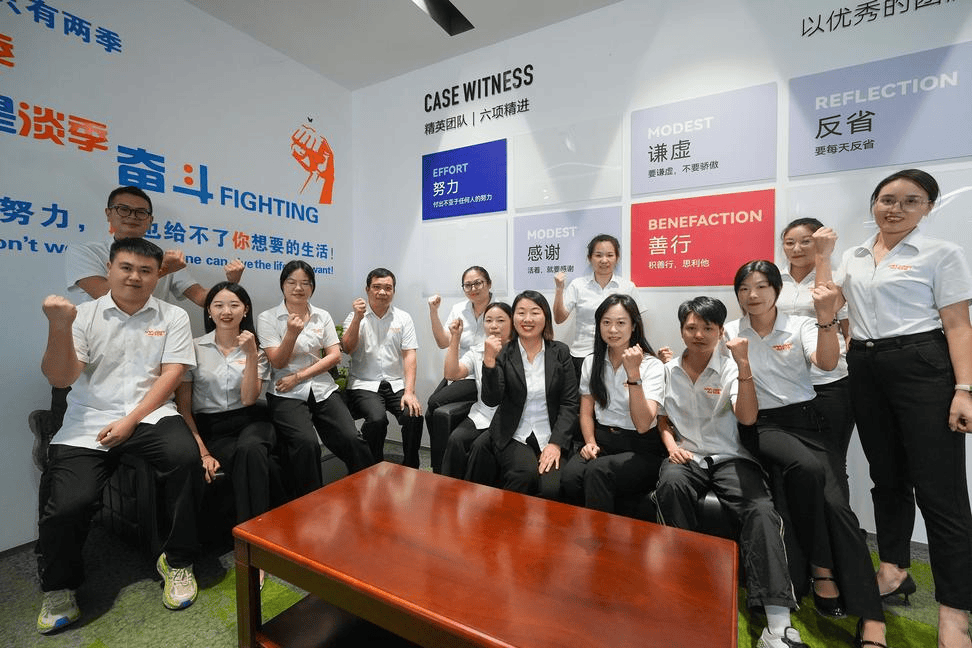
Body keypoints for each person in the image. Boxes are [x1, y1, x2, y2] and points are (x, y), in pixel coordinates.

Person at [817, 168, 972, 648]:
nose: (896, 208)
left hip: (923, 365)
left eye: (910, 200)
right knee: (887, 480)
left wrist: (964, 389)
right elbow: (830, 307)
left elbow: (958, 325)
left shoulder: (941, 253)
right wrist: (822, 258)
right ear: (874, 204)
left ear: (928, 207)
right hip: (866, 366)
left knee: (941, 493)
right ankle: (893, 569)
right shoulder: (855, 256)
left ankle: (954, 611)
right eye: (887, 199)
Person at [36, 238, 202, 633]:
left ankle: (177, 560)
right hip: (90, 419)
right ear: (109, 269)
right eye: (126, 268)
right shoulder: (82, 315)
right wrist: (59, 326)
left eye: (146, 271)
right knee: (68, 502)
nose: (135, 277)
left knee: (186, 459)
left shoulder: (172, 316)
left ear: (157, 276)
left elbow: (172, 374)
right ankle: (59, 586)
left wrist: (131, 420)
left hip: (151, 414)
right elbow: (60, 377)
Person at [725, 259, 887, 648]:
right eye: (744, 288)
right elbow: (738, 404)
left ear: (776, 290)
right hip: (761, 425)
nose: (752, 295)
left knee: (837, 505)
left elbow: (827, 363)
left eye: (761, 286)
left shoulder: (800, 325)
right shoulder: (731, 331)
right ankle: (821, 567)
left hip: (807, 421)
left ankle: (872, 618)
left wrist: (826, 318)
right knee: (808, 468)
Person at [30, 186, 244, 470]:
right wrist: (161, 270)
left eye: (141, 212)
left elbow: (204, 298)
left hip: (149, 358)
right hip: (95, 359)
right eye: (124, 209)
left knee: (173, 453)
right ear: (109, 214)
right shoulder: (87, 252)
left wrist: (231, 284)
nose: (132, 216)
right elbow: (110, 293)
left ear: (150, 220)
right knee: (69, 454)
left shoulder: (165, 260)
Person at [654, 297, 806, 648]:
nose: (699, 334)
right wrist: (671, 447)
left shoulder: (730, 368)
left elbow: (748, 417)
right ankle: (684, 584)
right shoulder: (667, 370)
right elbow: (662, 419)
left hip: (730, 457)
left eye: (708, 327)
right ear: (681, 330)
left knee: (761, 510)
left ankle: (777, 623)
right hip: (687, 456)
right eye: (691, 327)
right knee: (670, 485)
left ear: (721, 331)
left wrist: (744, 366)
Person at [257, 261, 373, 496]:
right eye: (292, 282)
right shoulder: (268, 318)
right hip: (284, 390)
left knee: (351, 437)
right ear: (283, 285)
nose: (298, 288)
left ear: (312, 287)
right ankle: (310, 501)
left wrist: (299, 376)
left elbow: (334, 356)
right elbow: (277, 362)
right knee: (306, 444)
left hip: (320, 386)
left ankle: (368, 489)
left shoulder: (322, 315)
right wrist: (291, 334)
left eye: (305, 283)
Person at [175, 282, 276, 526]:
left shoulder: (258, 351)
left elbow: (248, 399)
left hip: (251, 420)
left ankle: (251, 533)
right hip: (212, 428)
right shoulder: (193, 348)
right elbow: (184, 408)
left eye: (234, 305)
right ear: (209, 311)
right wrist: (203, 452)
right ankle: (257, 530)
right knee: (254, 460)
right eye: (218, 305)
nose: (226, 312)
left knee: (251, 449)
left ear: (246, 309)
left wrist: (250, 354)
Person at [560, 294, 665, 512]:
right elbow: (586, 413)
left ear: (634, 326)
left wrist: (633, 374)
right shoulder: (592, 362)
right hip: (603, 441)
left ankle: (600, 534)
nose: (613, 330)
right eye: (606, 322)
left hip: (641, 447)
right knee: (570, 477)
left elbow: (643, 425)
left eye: (621, 323)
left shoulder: (652, 366)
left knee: (598, 471)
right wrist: (590, 442)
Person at [477, 290, 578, 499]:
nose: (527, 319)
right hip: (513, 432)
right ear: (513, 318)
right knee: (524, 474)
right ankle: (504, 519)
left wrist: (556, 443)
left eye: (535, 312)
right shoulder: (505, 353)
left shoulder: (560, 352)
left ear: (546, 317)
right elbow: (491, 400)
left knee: (551, 488)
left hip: (550, 433)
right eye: (521, 312)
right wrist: (489, 362)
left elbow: (569, 403)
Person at [778, 218, 855, 467]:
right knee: (789, 462)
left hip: (829, 382)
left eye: (805, 242)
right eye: (789, 242)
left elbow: (846, 328)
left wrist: (824, 257)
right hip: (784, 381)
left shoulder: (836, 278)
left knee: (832, 460)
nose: (796, 249)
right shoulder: (773, 280)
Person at [342, 268, 424, 468]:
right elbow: (348, 348)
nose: (382, 292)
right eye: (377, 287)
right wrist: (357, 318)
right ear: (367, 289)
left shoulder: (403, 318)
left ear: (394, 291)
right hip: (364, 383)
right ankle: (373, 465)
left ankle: (411, 466)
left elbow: (409, 355)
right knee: (377, 420)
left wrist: (410, 392)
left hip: (395, 383)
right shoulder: (354, 317)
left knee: (414, 414)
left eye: (388, 288)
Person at [425, 266, 493, 473]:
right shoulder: (459, 309)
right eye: (468, 285)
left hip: (482, 375)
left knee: (434, 402)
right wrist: (434, 312)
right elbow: (442, 342)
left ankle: (441, 465)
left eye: (478, 283)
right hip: (459, 370)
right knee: (430, 412)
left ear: (488, 284)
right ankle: (440, 463)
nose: (473, 289)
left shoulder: (499, 310)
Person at [440, 301, 512, 479]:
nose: (493, 326)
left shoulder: (520, 351)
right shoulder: (477, 351)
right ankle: (449, 489)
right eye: (488, 320)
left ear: (512, 323)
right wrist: (455, 338)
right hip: (482, 414)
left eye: (500, 320)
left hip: (509, 418)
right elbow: (451, 373)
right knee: (456, 440)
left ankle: (473, 492)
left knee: (480, 448)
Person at [554, 234, 640, 378]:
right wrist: (559, 289)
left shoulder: (627, 287)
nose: (604, 260)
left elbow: (637, 324)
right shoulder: (578, 285)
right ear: (590, 258)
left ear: (617, 258)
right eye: (598, 255)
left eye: (610, 255)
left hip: (617, 355)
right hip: (582, 354)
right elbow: (559, 318)